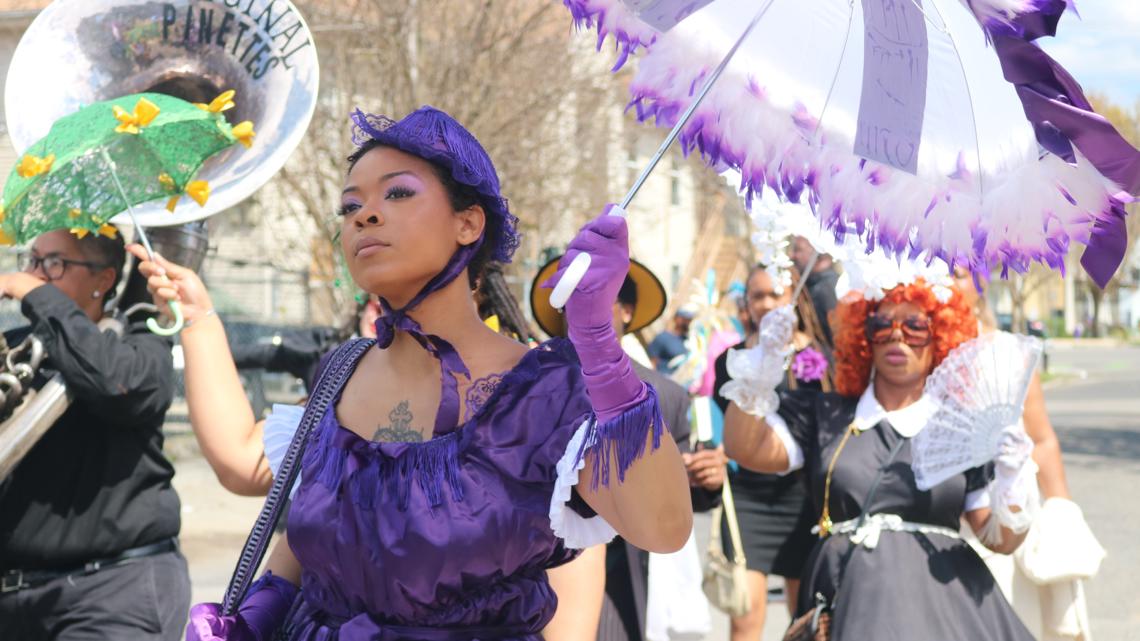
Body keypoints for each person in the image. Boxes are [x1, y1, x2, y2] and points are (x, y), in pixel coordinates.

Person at [134, 106, 692, 640]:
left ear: (469, 223)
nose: (364, 215)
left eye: (397, 192)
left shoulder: (545, 392)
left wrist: (597, 345)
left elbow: (663, 528)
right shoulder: (342, 372)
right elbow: (259, 485)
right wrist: (200, 317)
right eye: (349, 206)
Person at [722, 272, 1039, 640]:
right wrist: (760, 364)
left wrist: (1014, 477)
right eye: (881, 324)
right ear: (862, 335)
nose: (897, 336)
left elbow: (999, 540)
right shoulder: (826, 414)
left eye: (916, 325)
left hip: (942, 607)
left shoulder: (961, 427)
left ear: (940, 334)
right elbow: (745, 447)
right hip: (848, 598)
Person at [0, 229, 189, 640]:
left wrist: (35, 294)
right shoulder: (16, 348)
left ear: (103, 280)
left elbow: (112, 381)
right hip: (16, 599)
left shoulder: (141, 348)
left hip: (111, 594)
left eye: (54, 263)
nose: (34, 275)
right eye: (31, 262)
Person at [533, 256, 725, 641]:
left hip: (623, 581)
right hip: (531, 578)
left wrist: (708, 478)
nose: (582, 305)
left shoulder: (665, 397)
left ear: (626, 310)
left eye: (597, 295)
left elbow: (685, 502)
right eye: (573, 296)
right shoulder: (526, 386)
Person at [951, 266, 1101, 641]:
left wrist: (1062, 511)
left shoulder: (1009, 352)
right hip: (943, 527)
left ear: (979, 284)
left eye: (956, 273)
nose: (945, 282)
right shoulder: (910, 354)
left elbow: (1042, 438)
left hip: (1006, 520)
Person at [711, 264, 830, 641]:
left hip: (804, 499)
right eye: (757, 296)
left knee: (805, 621)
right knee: (745, 618)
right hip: (749, 497)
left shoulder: (823, 358)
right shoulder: (731, 361)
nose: (766, 304)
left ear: (795, 296)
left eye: (775, 294)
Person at [788, 236, 839, 347]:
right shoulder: (811, 286)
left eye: (798, 249)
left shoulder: (826, 290)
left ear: (818, 253)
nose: (792, 256)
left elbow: (835, 340)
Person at [647, 307, 695, 374]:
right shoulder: (663, 337)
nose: (687, 323)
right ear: (677, 318)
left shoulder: (688, 343)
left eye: (689, 320)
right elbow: (652, 361)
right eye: (685, 319)